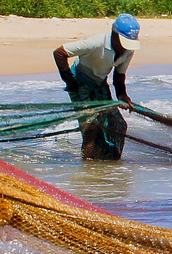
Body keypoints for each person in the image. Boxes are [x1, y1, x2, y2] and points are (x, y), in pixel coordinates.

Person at [53, 14, 140, 160]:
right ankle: (87, 164)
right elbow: (60, 53)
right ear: (114, 34)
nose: (125, 48)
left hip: (100, 83)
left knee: (119, 125)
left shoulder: (128, 51)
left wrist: (122, 95)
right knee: (92, 126)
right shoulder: (95, 43)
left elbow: (119, 75)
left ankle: (113, 162)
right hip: (79, 82)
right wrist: (71, 82)